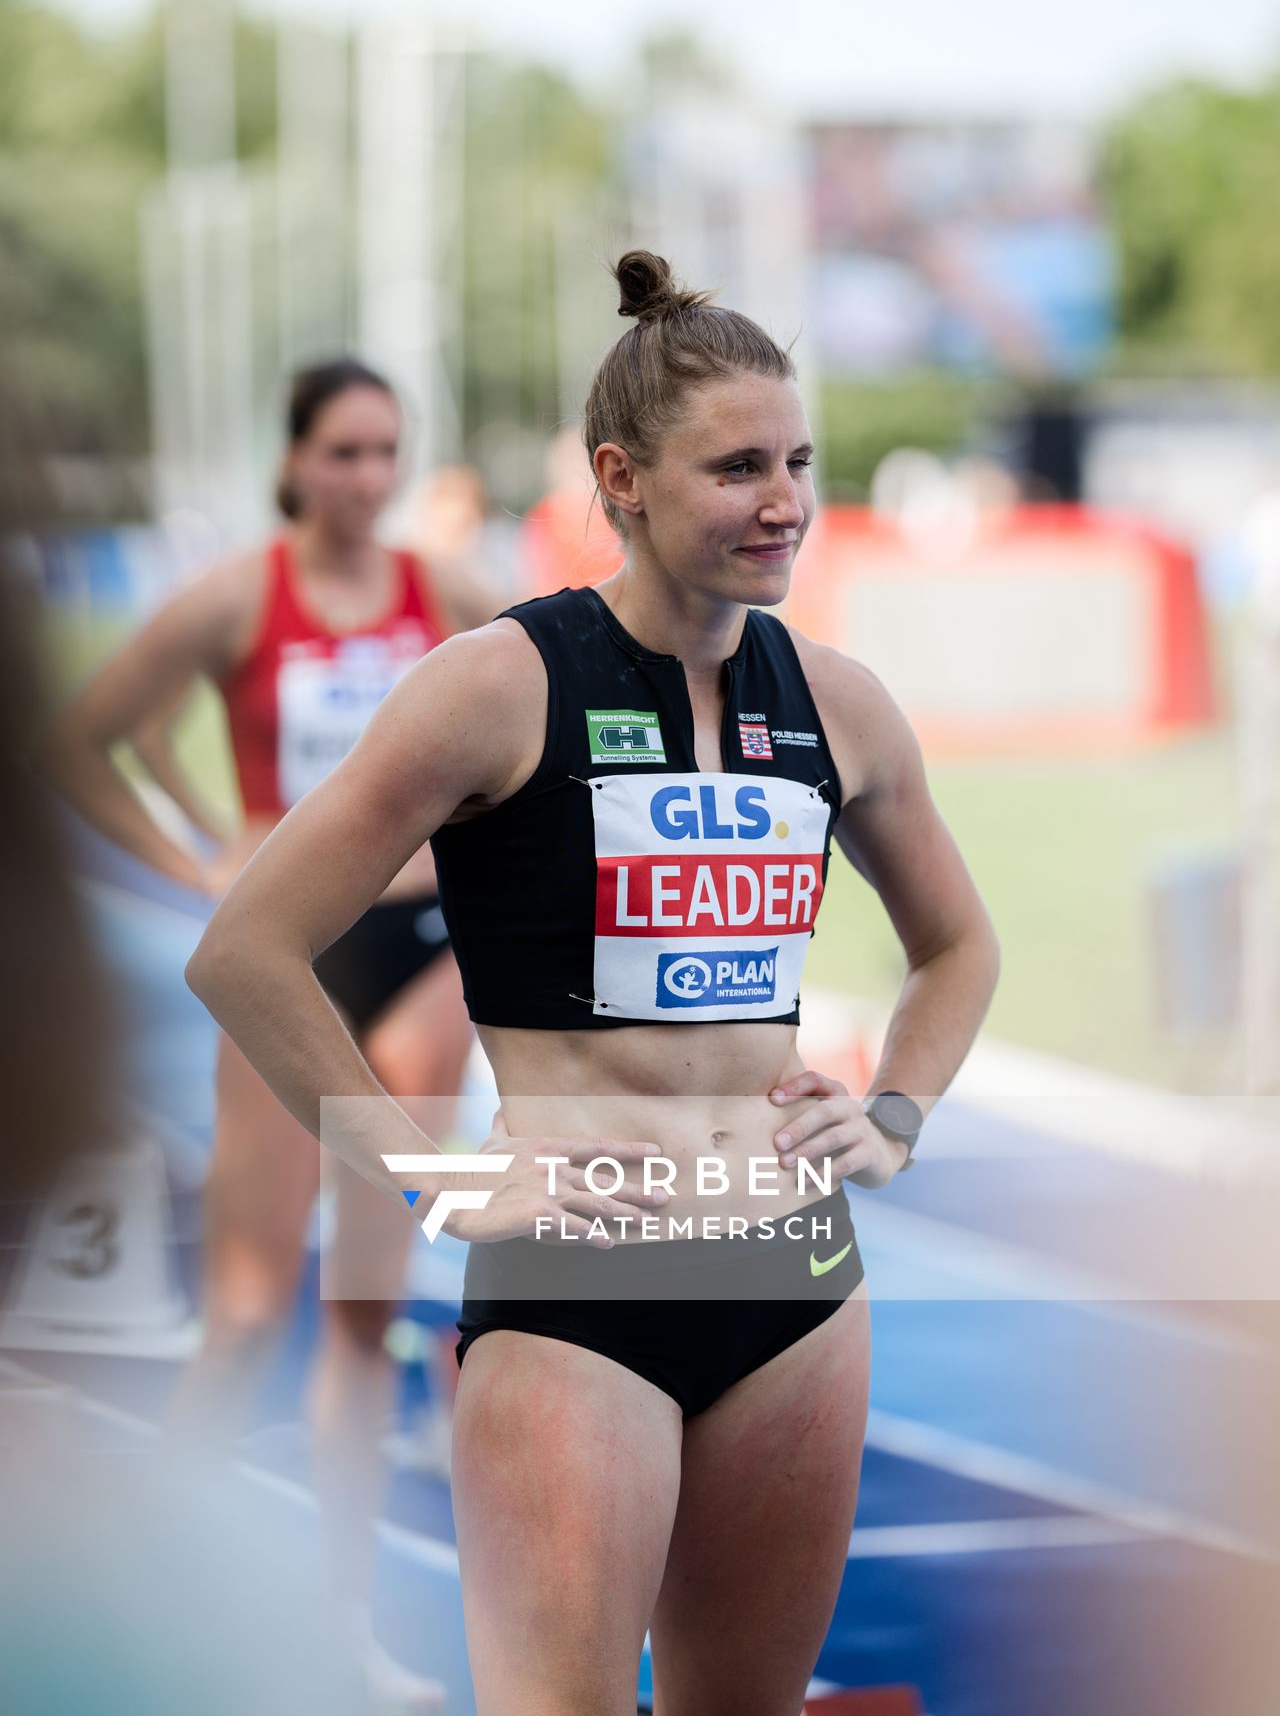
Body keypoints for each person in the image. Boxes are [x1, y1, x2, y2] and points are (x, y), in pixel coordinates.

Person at [187, 256, 1001, 1716]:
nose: (785, 502)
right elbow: (245, 947)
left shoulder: (839, 699)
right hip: (580, 1288)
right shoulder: (498, 685)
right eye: (739, 465)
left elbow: (959, 944)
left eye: (799, 462)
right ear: (621, 478)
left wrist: (895, 1116)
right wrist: (426, 1170)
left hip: (796, 1287)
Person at [44, 356, 493, 1707]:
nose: (367, 478)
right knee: (244, 1315)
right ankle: (136, 1625)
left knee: (365, 1313)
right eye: (344, 453)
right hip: (288, 952)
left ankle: (346, 1634)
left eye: (386, 452)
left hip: (421, 950)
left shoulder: (448, 599)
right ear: (294, 463)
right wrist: (194, 861)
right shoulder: (242, 594)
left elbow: (541, 736)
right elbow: (77, 741)